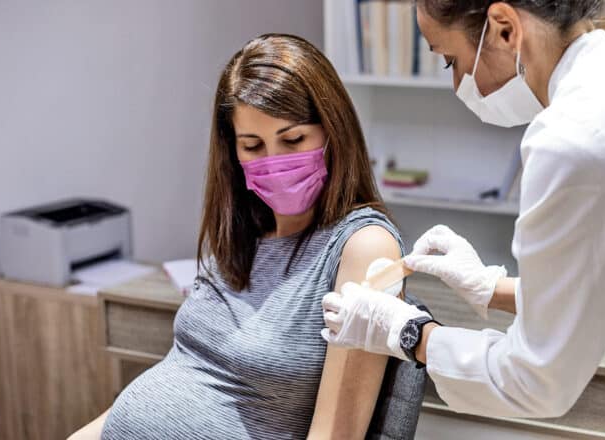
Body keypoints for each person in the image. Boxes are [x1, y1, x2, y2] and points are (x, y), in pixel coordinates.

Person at [321, 1, 605, 439]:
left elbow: (538, 381)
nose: (455, 85)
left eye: (450, 60)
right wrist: (493, 289)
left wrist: (408, 332)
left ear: (505, 28)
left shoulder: (574, 135)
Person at [69, 34, 405, 440]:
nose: (274, 161)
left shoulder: (362, 247)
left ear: (334, 132)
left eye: (294, 139)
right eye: (252, 146)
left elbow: (336, 435)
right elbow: (184, 371)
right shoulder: (243, 236)